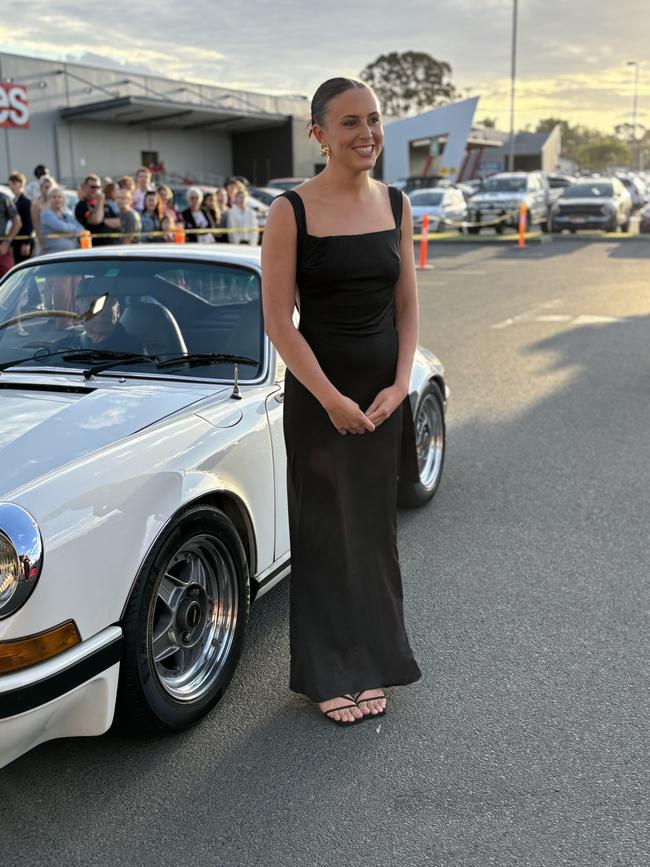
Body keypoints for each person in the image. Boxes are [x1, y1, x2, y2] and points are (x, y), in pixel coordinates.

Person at [261, 77, 421, 725]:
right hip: (320, 402)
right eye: (350, 122)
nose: (367, 134)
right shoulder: (289, 211)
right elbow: (279, 322)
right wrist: (328, 398)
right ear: (318, 134)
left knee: (375, 534)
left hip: (383, 399)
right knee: (327, 534)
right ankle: (328, 672)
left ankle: (373, 660)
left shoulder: (397, 203)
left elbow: (407, 307)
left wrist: (401, 382)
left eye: (374, 120)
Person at [74, 278, 146, 355]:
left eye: (109, 305)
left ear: (118, 311)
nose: (104, 312)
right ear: (79, 312)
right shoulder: (66, 346)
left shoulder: (133, 349)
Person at [74, 174, 121, 247]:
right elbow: (95, 220)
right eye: (92, 187)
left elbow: (119, 222)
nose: (95, 189)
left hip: (112, 245)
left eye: (98, 187)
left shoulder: (106, 205)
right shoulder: (81, 205)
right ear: (85, 188)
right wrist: (100, 201)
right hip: (95, 248)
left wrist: (103, 220)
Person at [39, 187, 84, 253]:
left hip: (72, 252)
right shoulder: (46, 214)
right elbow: (61, 227)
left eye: (59, 197)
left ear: (63, 199)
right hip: (54, 254)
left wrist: (68, 231)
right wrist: (73, 232)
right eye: (54, 197)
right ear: (49, 199)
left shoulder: (67, 214)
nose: (57, 200)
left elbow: (81, 229)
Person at [7, 171, 34, 264]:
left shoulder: (26, 202)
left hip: (23, 242)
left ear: (21, 184)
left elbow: (29, 223)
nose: (11, 186)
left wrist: (27, 242)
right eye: (10, 184)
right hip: (15, 241)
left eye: (14, 183)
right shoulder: (13, 201)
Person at [31, 174, 56, 255]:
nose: (47, 189)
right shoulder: (36, 204)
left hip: (57, 238)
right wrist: (42, 243)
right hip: (44, 240)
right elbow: (36, 226)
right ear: (40, 188)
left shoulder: (57, 202)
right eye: (45, 187)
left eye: (49, 187)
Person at [0, 188, 22, 277]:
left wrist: (7, 242)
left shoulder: (3, 198)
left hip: (1, 248)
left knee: (7, 279)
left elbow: (17, 222)